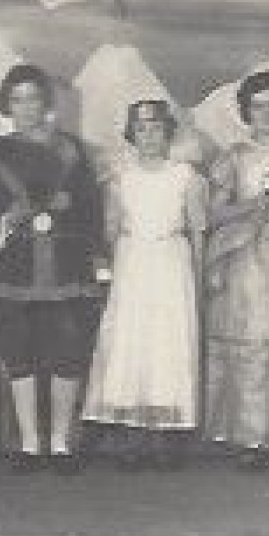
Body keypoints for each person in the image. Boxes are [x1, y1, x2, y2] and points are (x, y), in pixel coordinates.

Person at [0, 63, 105, 475]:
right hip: (12, 267)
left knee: (67, 351)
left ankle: (62, 441)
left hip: (66, 266)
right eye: (16, 99)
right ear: (6, 105)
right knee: (19, 352)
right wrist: (9, 215)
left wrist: (84, 237)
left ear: (46, 102)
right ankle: (29, 443)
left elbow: (92, 210)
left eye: (33, 98)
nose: (25, 107)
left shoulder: (73, 150)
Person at [82, 100, 208, 468]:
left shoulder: (187, 176)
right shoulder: (121, 179)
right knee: (130, 342)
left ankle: (165, 437)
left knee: (167, 343)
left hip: (172, 261)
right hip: (133, 263)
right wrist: (106, 273)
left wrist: (198, 279)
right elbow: (109, 230)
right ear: (131, 135)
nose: (148, 135)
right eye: (140, 128)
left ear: (168, 132)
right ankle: (132, 433)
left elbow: (198, 232)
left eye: (155, 127)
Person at [203, 70, 269, 469]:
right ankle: (250, 436)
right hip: (246, 257)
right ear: (246, 112)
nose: (266, 114)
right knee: (251, 341)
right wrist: (257, 206)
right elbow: (214, 213)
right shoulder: (234, 157)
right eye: (257, 106)